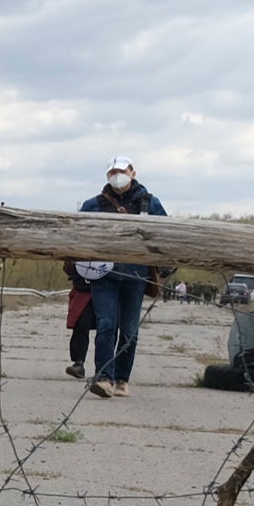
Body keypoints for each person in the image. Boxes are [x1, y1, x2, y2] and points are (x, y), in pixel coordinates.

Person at [77, 157, 167, 395]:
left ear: (132, 173)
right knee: (106, 325)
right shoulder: (93, 205)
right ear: (107, 176)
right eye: (113, 172)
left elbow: (166, 234)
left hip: (137, 276)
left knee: (129, 331)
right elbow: (77, 236)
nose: (118, 176)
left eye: (122, 171)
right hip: (104, 274)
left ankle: (122, 379)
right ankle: (104, 377)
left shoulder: (150, 203)